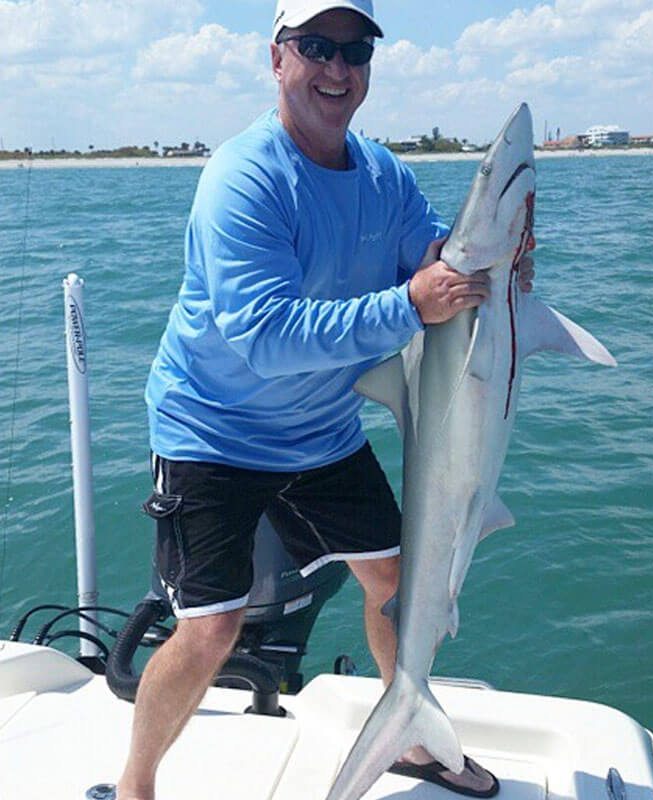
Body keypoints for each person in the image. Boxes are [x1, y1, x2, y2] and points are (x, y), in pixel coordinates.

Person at [117, 1, 535, 798]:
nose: (338, 68)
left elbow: (433, 249)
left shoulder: (383, 174)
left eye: (355, 49)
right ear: (277, 58)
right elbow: (265, 337)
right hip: (213, 430)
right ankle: (135, 784)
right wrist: (413, 303)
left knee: (402, 580)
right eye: (316, 47)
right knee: (211, 629)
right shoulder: (243, 179)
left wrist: (498, 252)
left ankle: (407, 727)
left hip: (319, 431)